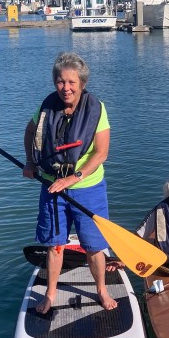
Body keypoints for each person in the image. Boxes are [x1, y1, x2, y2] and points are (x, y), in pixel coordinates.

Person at [23, 51, 117, 313]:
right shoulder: (47, 106)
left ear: (82, 84)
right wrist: (30, 161)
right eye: (61, 82)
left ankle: (101, 290)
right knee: (54, 243)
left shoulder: (97, 108)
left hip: (88, 188)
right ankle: (51, 294)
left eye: (71, 82)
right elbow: (30, 131)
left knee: (94, 246)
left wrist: (74, 178)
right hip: (52, 186)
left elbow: (101, 153)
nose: (65, 88)